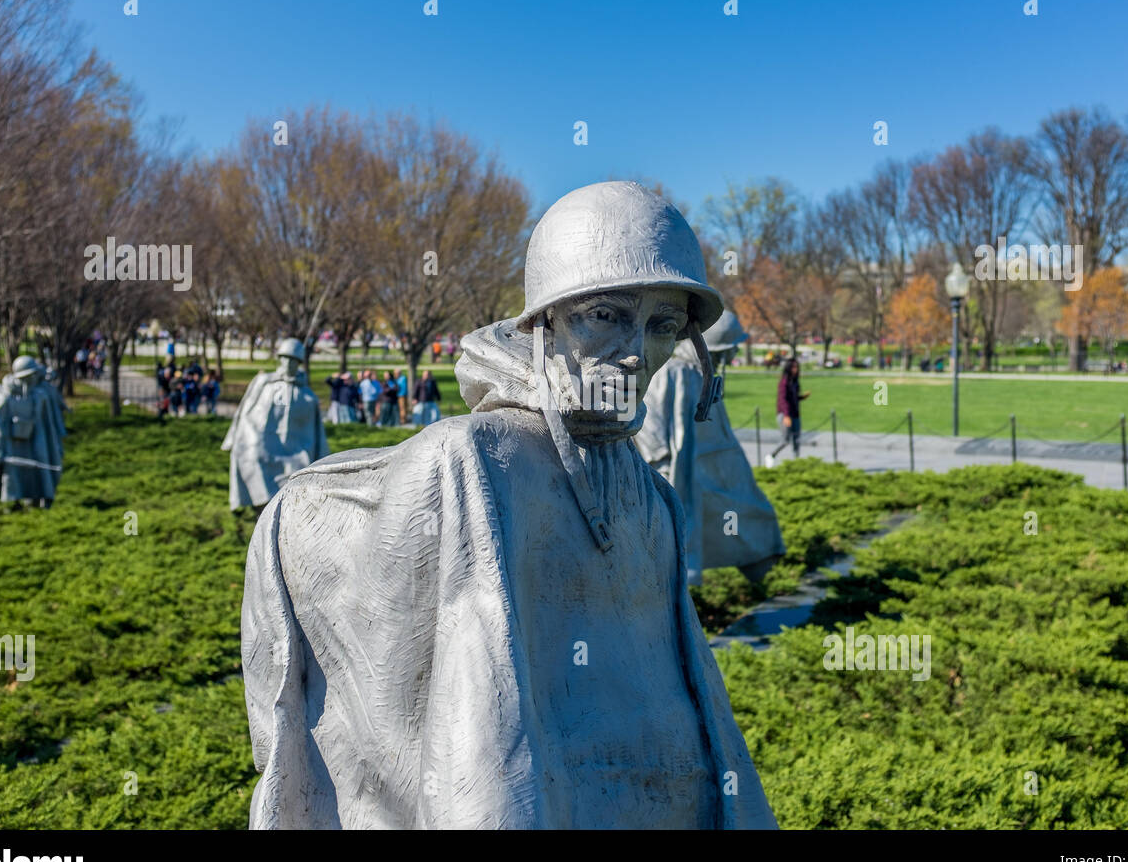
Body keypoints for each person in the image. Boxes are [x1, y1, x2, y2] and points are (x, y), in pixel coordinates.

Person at [241, 181, 776, 829]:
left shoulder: (652, 497)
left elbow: (694, 710)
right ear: (546, 319)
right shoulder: (473, 462)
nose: (637, 350)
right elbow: (476, 736)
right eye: (606, 315)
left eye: (663, 324)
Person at [635, 310, 785, 585]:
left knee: (751, 513)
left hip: (714, 471)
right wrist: (660, 462)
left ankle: (759, 563)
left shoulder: (703, 375)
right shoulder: (671, 372)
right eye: (731, 347)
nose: (735, 352)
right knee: (680, 532)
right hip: (682, 471)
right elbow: (650, 423)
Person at [222, 338, 329, 511]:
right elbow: (245, 411)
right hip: (263, 441)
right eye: (285, 358)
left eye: (292, 360)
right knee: (251, 456)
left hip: (296, 450)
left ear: (298, 363)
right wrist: (234, 437)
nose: (288, 363)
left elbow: (316, 434)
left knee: (297, 466)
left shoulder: (308, 397)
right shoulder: (264, 383)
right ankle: (261, 503)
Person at [0, 356, 65, 507]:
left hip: (31, 439)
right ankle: (13, 503)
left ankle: (36, 497)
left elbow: (44, 423)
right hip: (8, 441)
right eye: (33, 375)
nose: (37, 378)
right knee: (12, 475)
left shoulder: (37, 395)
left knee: (36, 468)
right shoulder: (1, 396)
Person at [766, 358, 809, 465]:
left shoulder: (795, 381)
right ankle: (771, 455)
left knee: (797, 439)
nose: (796, 369)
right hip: (785, 414)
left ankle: (796, 461)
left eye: (797, 367)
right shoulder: (784, 382)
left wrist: (802, 397)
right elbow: (783, 399)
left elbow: (793, 398)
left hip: (795, 414)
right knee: (785, 440)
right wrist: (786, 415)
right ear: (789, 368)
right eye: (794, 367)